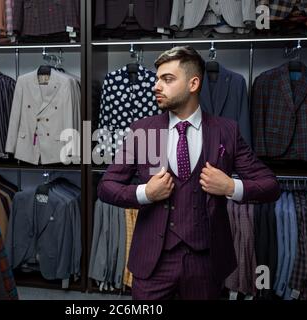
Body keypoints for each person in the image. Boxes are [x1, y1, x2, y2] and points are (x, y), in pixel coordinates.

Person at [97, 46, 281, 300]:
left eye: (167, 79)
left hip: (207, 262)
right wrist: (145, 193)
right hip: (154, 262)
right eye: (157, 78)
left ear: (193, 83)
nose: (156, 86)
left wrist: (230, 187)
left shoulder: (226, 131)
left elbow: (270, 186)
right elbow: (106, 186)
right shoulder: (144, 130)